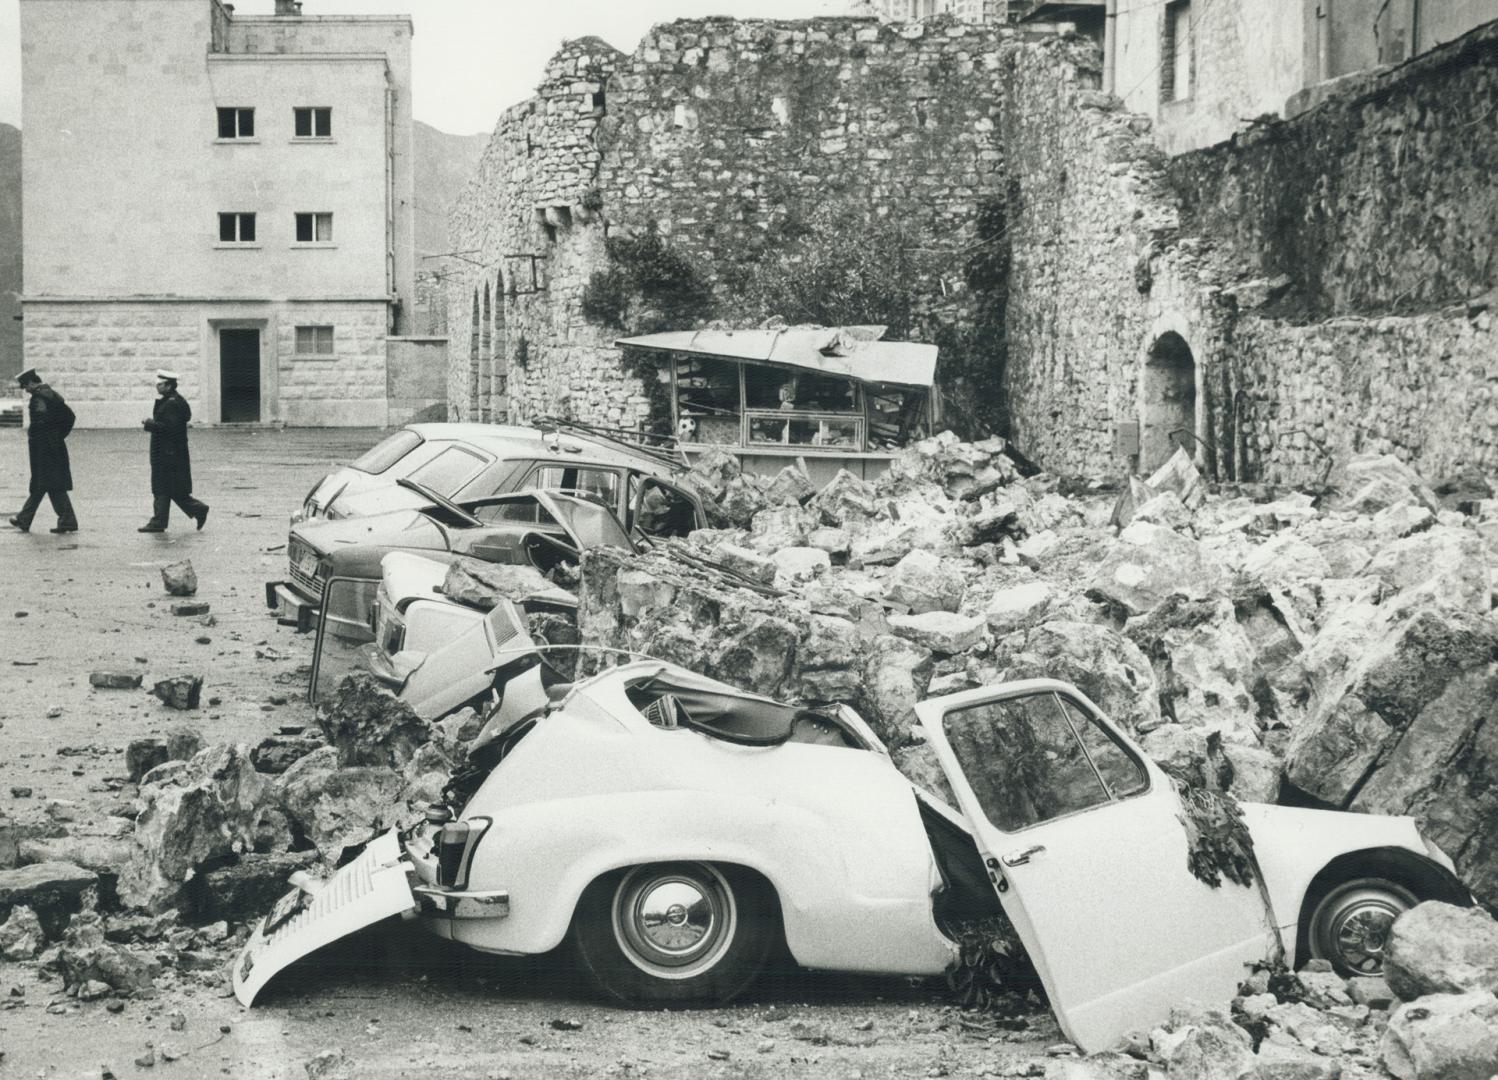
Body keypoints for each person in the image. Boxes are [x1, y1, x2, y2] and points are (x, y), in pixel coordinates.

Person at [8, 368, 78, 534]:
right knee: (50, 485)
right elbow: (70, 417)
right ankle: (64, 520)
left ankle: (26, 519)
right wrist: (59, 435)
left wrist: (50, 437)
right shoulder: (51, 394)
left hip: (44, 449)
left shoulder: (40, 398)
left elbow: (40, 424)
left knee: (44, 484)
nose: (26, 389)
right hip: (53, 446)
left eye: (26, 386)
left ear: (32, 382)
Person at [139, 369, 209, 533]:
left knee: (162, 488)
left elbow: (169, 429)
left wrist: (149, 423)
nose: (157, 387)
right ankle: (196, 510)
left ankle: (159, 521)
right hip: (172, 453)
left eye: (160, 384)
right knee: (172, 489)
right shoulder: (174, 400)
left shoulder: (171, 403)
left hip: (167, 453)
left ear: (169, 385)